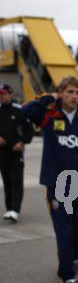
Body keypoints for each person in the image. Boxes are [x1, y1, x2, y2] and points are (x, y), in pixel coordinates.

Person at [22, 76, 78, 283]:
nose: (74, 96)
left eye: (77, 92)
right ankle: (68, 279)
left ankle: (73, 260)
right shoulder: (48, 114)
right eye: (70, 92)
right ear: (61, 93)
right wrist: (48, 98)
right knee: (64, 233)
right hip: (57, 185)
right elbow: (26, 111)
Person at [0, 83, 34, 222]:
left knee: (16, 181)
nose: (1, 97)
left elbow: (29, 130)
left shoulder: (20, 110)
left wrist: (22, 142)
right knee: (7, 181)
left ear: (10, 94)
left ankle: (15, 209)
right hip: (2, 152)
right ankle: (9, 209)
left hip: (16, 151)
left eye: (3, 94)